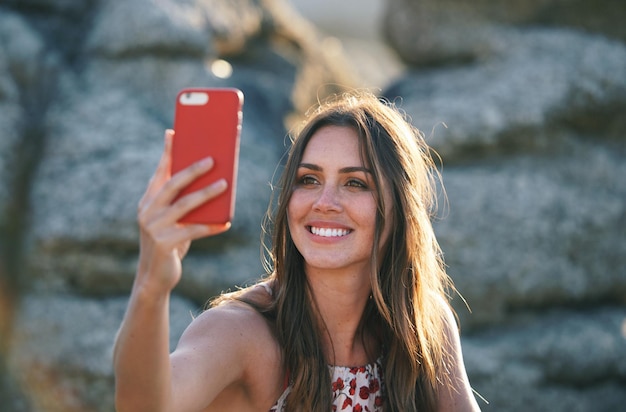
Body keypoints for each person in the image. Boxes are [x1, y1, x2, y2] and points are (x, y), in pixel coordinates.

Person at [113, 91, 481, 411]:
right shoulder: (242, 332)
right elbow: (145, 406)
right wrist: (150, 285)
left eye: (355, 183)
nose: (324, 202)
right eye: (309, 179)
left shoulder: (422, 324)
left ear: (399, 208)